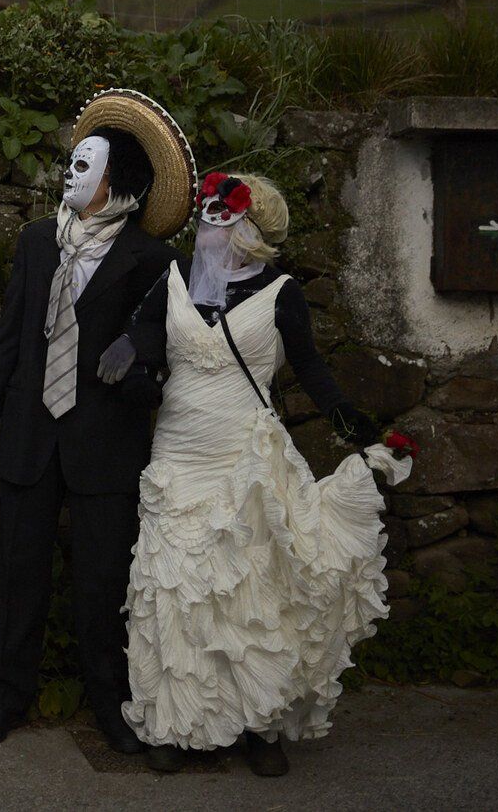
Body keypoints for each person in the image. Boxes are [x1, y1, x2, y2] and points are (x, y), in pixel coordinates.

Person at [122, 171, 410, 777]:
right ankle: (176, 724)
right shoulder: (170, 279)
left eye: (219, 224)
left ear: (251, 232)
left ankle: (259, 725)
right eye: (203, 222)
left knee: (253, 591)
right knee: (175, 587)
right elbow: (146, 335)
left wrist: (360, 430)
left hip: (246, 458)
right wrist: (135, 358)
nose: (206, 233)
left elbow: (310, 370)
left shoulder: (281, 293)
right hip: (179, 455)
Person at [0, 89, 197, 754]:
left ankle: (112, 704)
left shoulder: (151, 258)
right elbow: (9, 334)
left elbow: (166, 339)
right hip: (34, 435)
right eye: (71, 161)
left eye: (84, 164)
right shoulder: (38, 242)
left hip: (104, 443)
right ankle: (4, 696)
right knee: (19, 572)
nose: (70, 172)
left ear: (114, 181)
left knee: (102, 581)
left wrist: (138, 359)